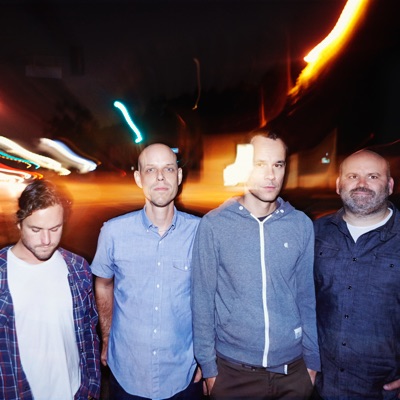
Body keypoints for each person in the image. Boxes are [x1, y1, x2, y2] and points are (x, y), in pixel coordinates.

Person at [191, 130, 320, 400]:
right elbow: (202, 300)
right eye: (260, 164)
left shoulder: (300, 224)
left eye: (278, 164)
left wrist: (312, 364)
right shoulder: (214, 224)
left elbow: (306, 297)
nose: (271, 175)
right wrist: (209, 367)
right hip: (232, 373)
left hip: (293, 372)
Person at [91, 143, 202, 400]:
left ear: (179, 176)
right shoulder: (113, 232)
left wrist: (207, 357)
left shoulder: (201, 232)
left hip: (183, 374)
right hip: (127, 373)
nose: (160, 177)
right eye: (151, 170)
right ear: (138, 178)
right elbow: (103, 284)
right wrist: (106, 338)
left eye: (168, 169)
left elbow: (213, 297)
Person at [0, 179, 101, 400]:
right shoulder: (2, 275)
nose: (46, 240)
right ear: (19, 224)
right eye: (36, 229)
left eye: (55, 229)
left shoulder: (78, 268)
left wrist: (91, 386)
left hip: (75, 393)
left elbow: (88, 333)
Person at [314, 149, 400, 400]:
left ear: (390, 185)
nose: (362, 184)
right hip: (321, 386)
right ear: (338, 185)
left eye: (373, 176)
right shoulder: (314, 233)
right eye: (352, 176)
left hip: (383, 390)